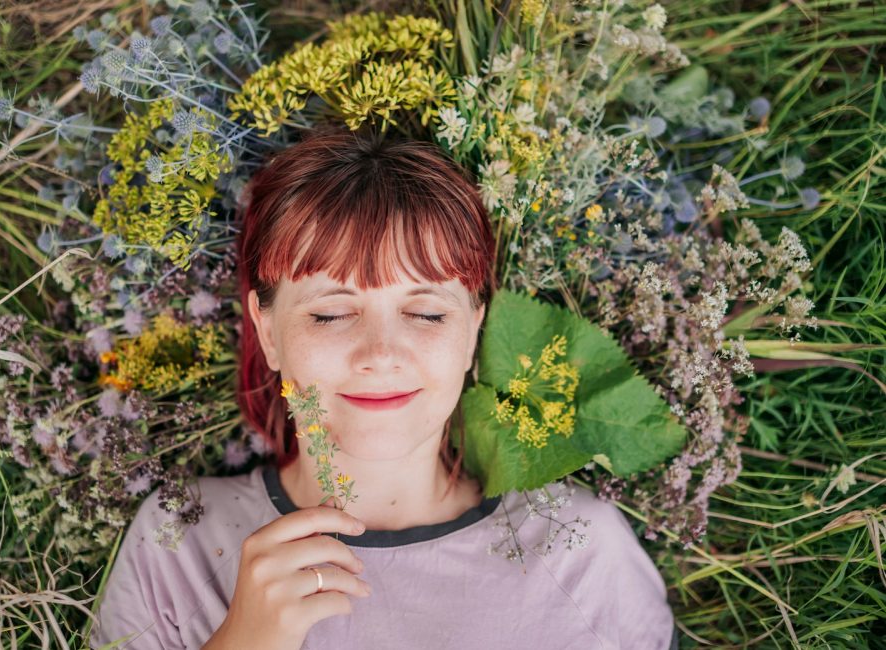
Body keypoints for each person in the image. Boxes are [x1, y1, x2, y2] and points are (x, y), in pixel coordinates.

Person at [90, 125, 678, 649]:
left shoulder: (581, 557)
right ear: (268, 331)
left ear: (475, 331)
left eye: (425, 314)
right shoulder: (180, 538)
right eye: (329, 314)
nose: (381, 355)